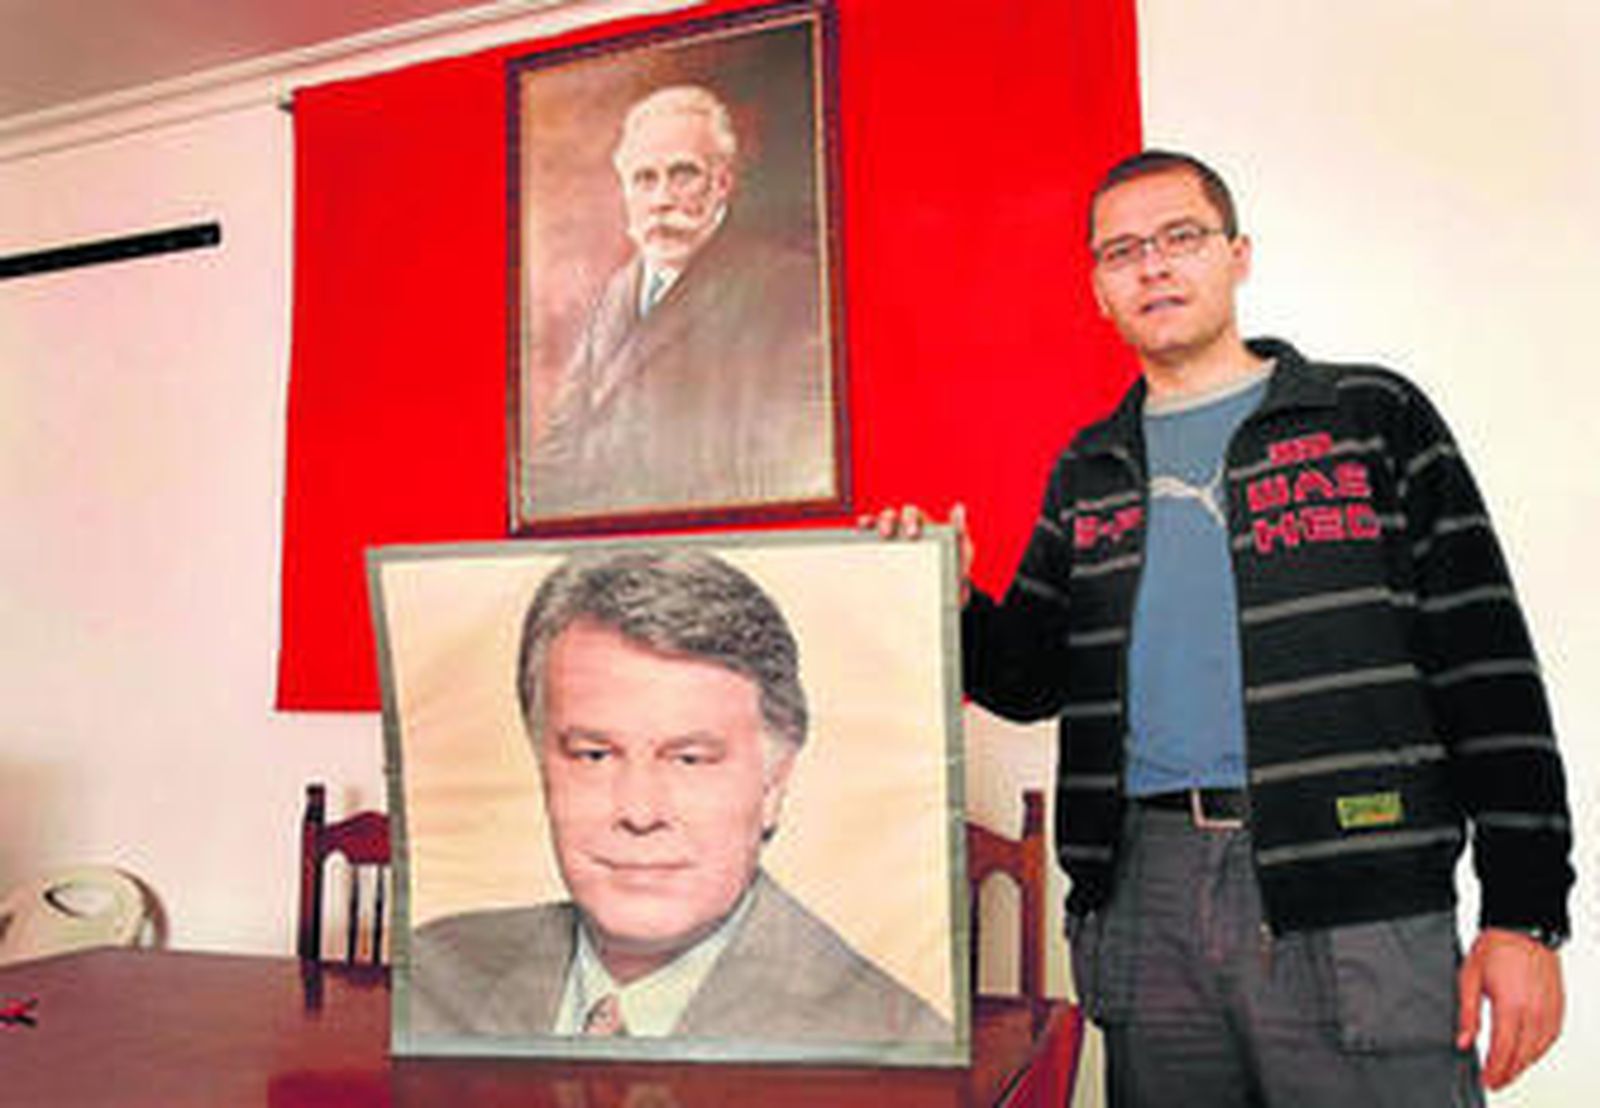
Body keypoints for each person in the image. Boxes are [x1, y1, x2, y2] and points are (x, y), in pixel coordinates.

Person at [871, 150, 1572, 1105]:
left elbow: (1486, 668)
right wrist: (951, 600)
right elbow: (1029, 681)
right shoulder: (1090, 468)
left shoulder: (1374, 418)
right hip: (1145, 893)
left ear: (1237, 256)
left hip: (1355, 893)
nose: (1153, 265)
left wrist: (1525, 914)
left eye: (1181, 237)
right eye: (1122, 251)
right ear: (1099, 291)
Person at [408, 547, 950, 1045]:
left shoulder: (896, 1040)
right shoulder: (430, 977)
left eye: (689, 759)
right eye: (594, 755)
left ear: (774, 785)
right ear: (542, 762)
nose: (639, 812)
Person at [526, 84, 835, 521]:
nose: (662, 199)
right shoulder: (616, 292)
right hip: (607, 539)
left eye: (683, 174)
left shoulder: (785, 283)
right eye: (644, 179)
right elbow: (561, 445)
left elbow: (786, 466)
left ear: (722, 183)